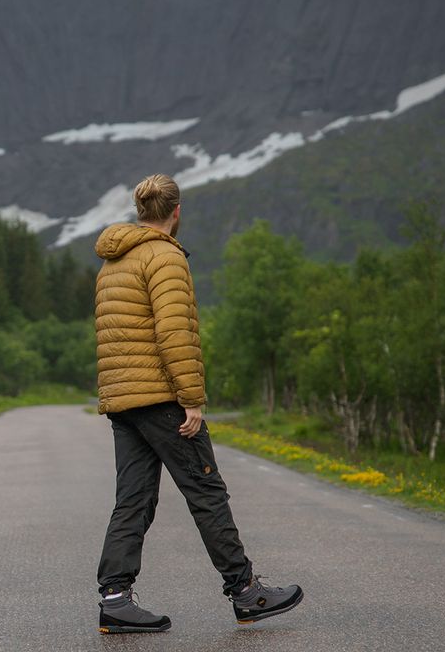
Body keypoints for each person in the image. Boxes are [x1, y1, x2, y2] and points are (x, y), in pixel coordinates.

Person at [94, 173, 303, 634]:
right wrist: (191, 398)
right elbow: (174, 333)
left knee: (133, 500)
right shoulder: (165, 256)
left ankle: (115, 599)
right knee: (207, 491)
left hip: (124, 401)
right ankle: (246, 592)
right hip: (162, 397)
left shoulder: (114, 260)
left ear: (140, 209)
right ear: (176, 211)